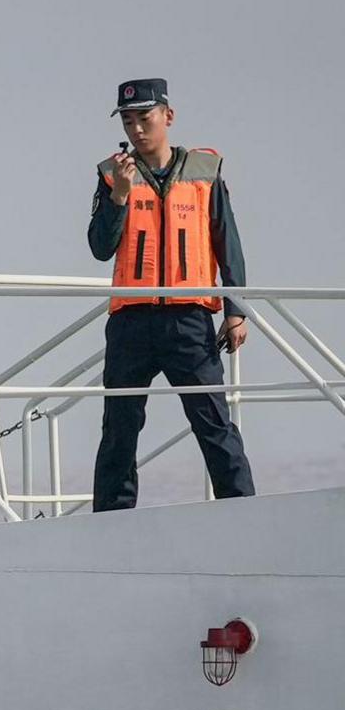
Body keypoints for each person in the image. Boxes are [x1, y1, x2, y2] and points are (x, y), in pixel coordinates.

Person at [87, 77, 256, 512]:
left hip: (189, 320)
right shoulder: (112, 175)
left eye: (145, 118)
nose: (137, 130)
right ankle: (110, 522)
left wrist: (235, 311)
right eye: (128, 121)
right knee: (119, 429)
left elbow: (227, 242)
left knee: (214, 424)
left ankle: (243, 514)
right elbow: (99, 248)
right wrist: (119, 198)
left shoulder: (204, 173)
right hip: (131, 321)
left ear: (168, 116)